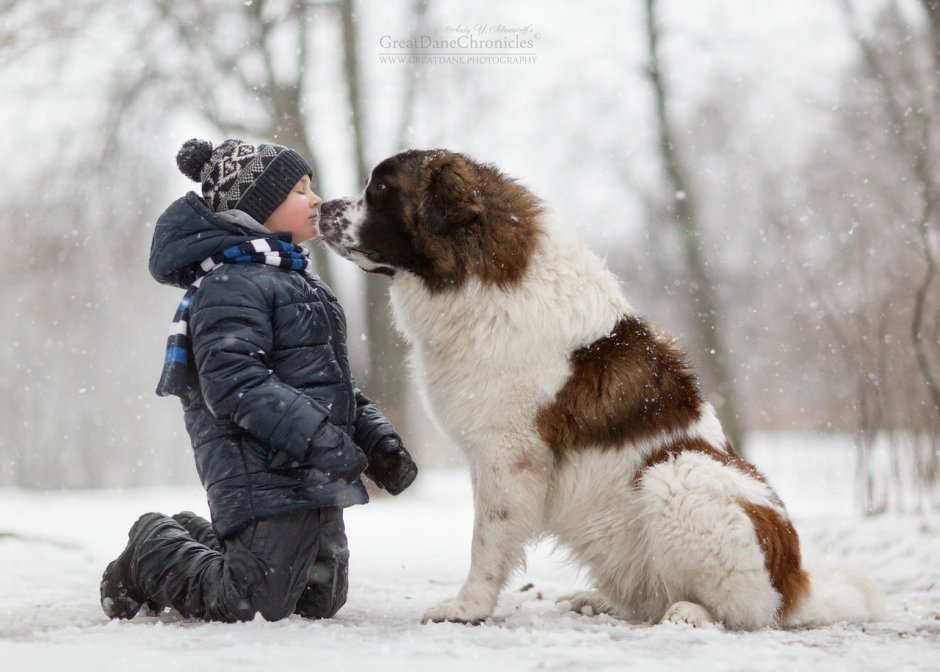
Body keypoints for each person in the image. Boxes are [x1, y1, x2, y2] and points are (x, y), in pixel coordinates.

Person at [100, 138, 417, 623]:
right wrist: (320, 440)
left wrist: (378, 442)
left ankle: (201, 537)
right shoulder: (230, 285)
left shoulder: (303, 283)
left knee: (320, 599)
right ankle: (151, 546)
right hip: (257, 468)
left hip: (311, 469)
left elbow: (331, 384)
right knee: (248, 601)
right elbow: (234, 383)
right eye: (297, 190)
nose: (314, 200)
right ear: (254, 208)